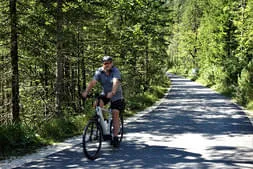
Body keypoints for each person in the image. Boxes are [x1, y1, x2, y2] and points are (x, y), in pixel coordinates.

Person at [82, 56, 124, 147]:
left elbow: (116, 82)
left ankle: (115, 136)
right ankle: (103, 123)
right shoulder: (99, 71)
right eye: (105, 63)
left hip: (116, 95)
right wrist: (86, 92)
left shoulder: (115, 71)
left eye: (108, 63)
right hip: (105, 93)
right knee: (97, 104)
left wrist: (112, 92)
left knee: (115, 113)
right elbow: (93, 82)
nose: (107, 65)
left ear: (112, 64)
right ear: (103, 64)